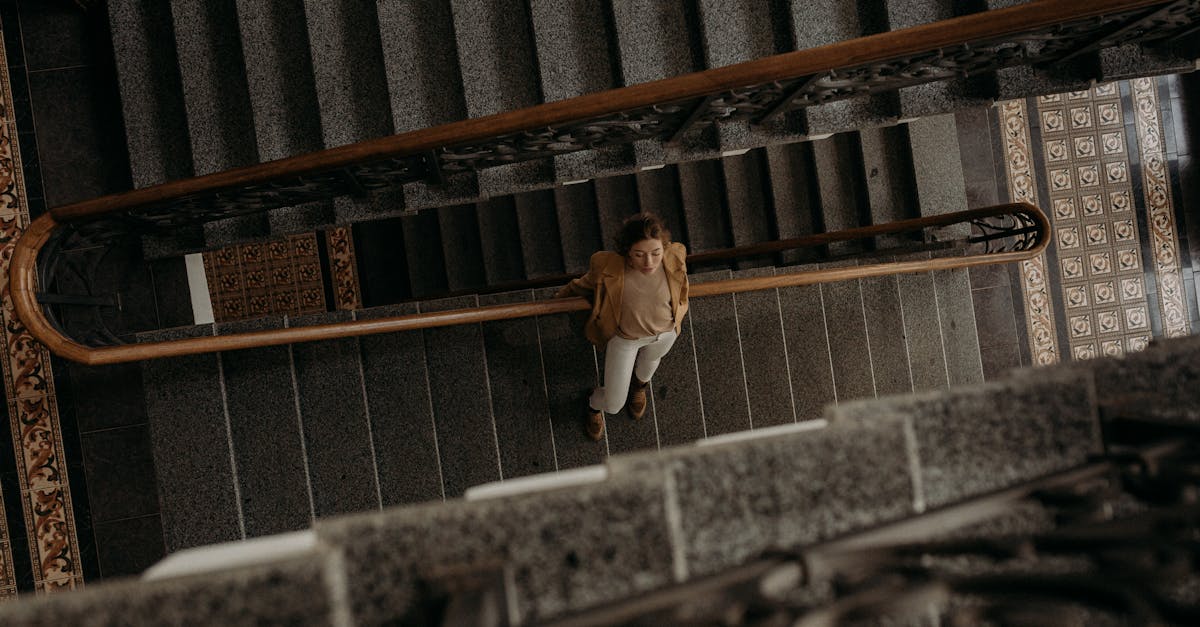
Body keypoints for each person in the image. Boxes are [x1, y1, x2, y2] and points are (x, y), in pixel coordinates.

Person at [555, 212, 689, 440]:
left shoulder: (675, 254)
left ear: (663, 247)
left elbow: (681, 287)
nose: (649, 262)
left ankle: (639, 387)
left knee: (650, 363)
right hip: (626, 340)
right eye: (639, 254)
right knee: (614, 403)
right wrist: (559, 300)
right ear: (627, 251)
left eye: (656, 253)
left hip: (666, 333)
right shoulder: (607, 265)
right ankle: (593, 406)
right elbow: (582, 285)